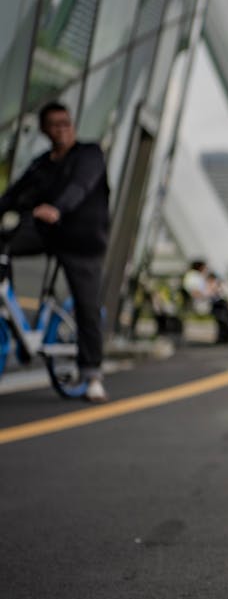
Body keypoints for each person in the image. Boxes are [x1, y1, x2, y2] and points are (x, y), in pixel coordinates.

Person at [0, 102, 110, 402]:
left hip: (82, 241)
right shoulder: (41, 164)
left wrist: (57, 208)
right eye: (54, 124)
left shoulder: (89, 154)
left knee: (87, 305)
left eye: (66, 122)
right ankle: (14, 322)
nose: (62, 128)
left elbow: (81, 185)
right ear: (44, 129)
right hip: (47, 236)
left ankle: (92, 374)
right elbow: (14, 195)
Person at [181, 260, 228, 346]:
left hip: (209, 300)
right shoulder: (193, 276)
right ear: (200, 267)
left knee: (227, 313)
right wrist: (210, 292)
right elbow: (196, 292)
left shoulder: (195, 276)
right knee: (225, 312)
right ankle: (227, 336)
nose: (206, 269)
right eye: (205, 267)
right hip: (204, 302)